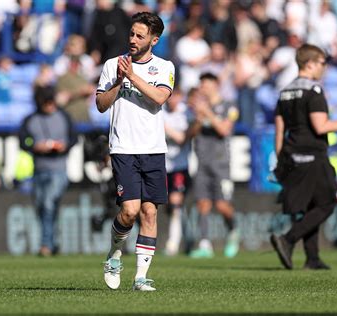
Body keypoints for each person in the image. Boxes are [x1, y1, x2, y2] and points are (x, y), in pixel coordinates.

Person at [96, 12, 175, 291]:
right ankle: (115, 253)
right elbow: (101, 105)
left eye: (139, 36)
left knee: (150, 212)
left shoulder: (164, 67)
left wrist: (132, 77)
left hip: (153, 149)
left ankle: (141, 277)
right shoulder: (111, 65)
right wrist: (119, 82)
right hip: (123, 147)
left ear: (154, 40)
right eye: (131, 33)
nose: (132, 39)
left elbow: (160, 98)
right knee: (129, 211)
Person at [270, 43, 337, 270]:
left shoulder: (285, 91)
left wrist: (281, 159)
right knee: (329, 201)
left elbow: (279, 129)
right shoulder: (314, 90)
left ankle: (312, 258)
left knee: (312, 204)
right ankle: (288, 239)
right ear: (309, 64)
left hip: (291, 155)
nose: (325, 67)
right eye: (322, 63)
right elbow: (320, 126)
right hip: (313, 154)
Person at [19, 86, 77, 257]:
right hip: (39, 169)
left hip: (58, 169)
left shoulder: (64, 116)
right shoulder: (30, 119)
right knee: (41, 207)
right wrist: (34, 146)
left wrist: (64, 147)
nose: (50, 107)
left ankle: (46, 245)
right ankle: (54, 242)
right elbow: (23, 141)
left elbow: (73, 138)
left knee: (48, 204)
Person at [187, 72, 240, 259]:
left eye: (207, 84)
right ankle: (204, 244)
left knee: (222, 205)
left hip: (221, 163)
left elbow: (225, 129)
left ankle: (233, 231)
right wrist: (199, 119)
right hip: (202, 162)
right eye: (202, 85)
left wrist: (208, 113)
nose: (204, 88)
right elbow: (190, 133)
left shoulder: (229, 106)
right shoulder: (198, 107)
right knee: (202, 203)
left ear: (216, 85)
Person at [163, 89, 191, 256]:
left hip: (179, 167)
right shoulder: (159, 112)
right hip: (162, 166)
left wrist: (164, 128)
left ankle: (173, 243)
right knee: (167, 206)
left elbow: (182, 138)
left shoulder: (184, 115)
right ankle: (188, 237)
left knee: (175, 203)